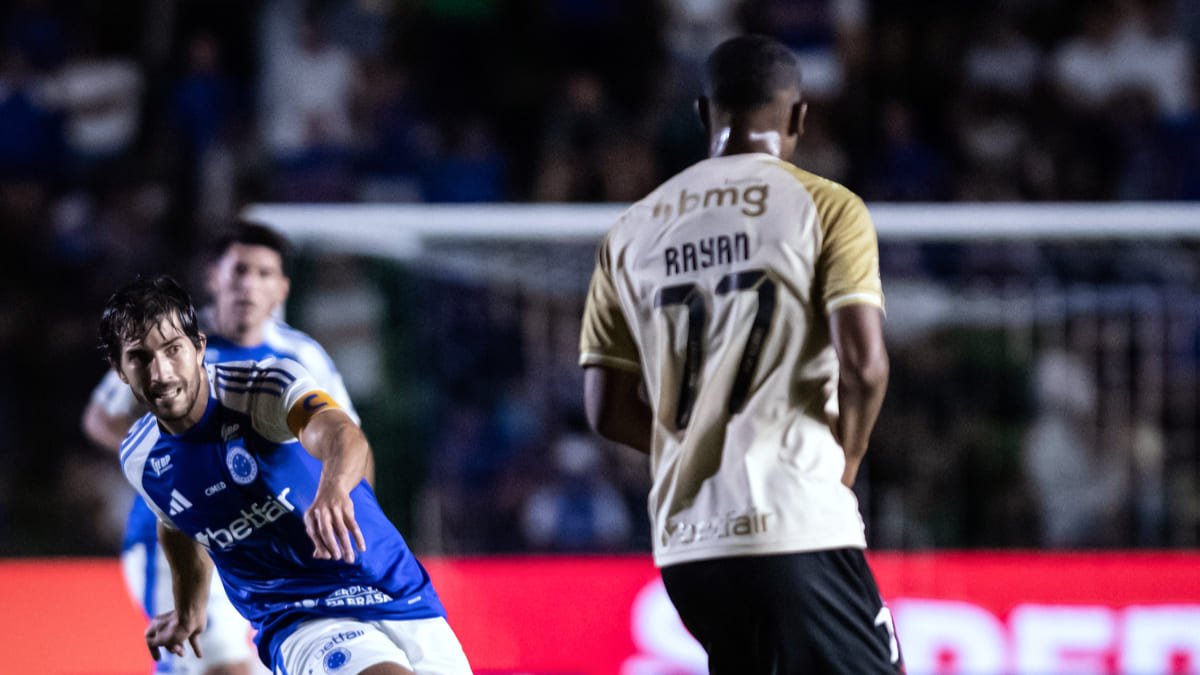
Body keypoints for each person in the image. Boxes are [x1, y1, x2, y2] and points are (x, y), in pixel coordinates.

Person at [578, 35, 902, 673]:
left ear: (705, 113)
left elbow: (605, 409)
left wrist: (703, 443)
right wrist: (847, 457)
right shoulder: (826, 206)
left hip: (689, 549)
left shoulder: (631, 230)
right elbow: (865, 366)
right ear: (799, 116)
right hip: (794, 523)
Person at [100, 275, 471, 674]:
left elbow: (342, 433)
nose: (160, 373)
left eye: (173, 349)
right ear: (120, 371)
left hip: (397, 589)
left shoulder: (263, 389)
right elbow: (176, 524)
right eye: (139, 358)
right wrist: (189, 608)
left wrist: (333, 488)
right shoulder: (141, 458)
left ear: (199, 347)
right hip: (299, 616)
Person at [81, 221, 368, 675]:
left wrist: (354, 513)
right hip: (179, 540)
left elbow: (347, 437)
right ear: (214, 277)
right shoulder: (168, 340)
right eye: (238, 271)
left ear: (282, 289)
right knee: (221, 666)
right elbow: (100, 416)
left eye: (263, 273)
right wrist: (177, 464)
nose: (248, 285)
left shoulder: (301, 355)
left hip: (269, 538)